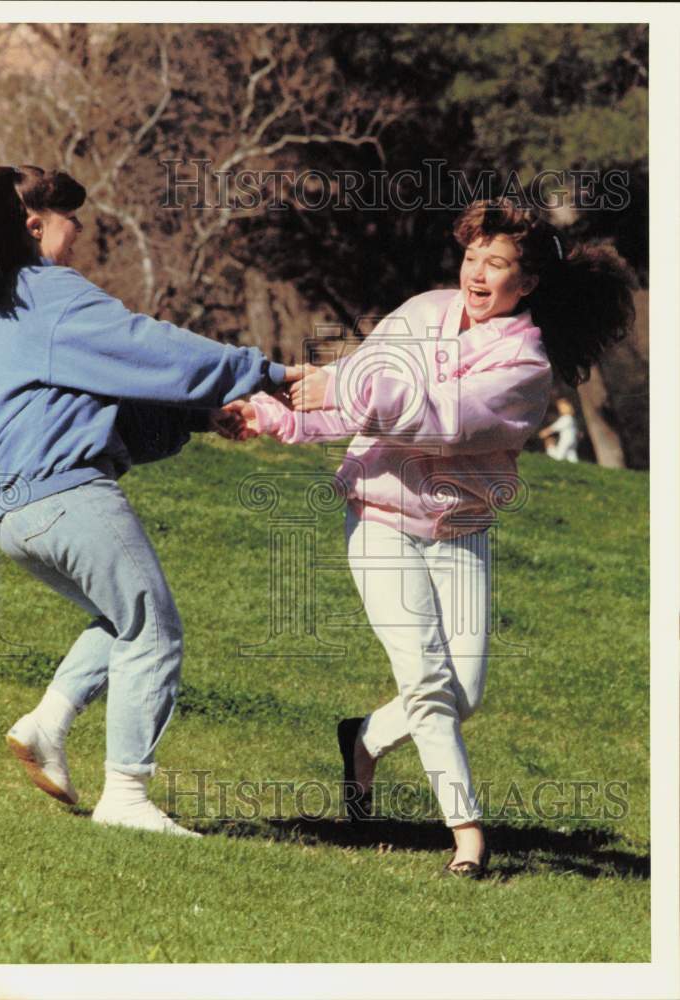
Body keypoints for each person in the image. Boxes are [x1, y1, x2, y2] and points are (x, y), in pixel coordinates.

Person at [226, 198, 635, 876]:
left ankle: (361, 740)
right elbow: (352, 399)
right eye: (471, 256)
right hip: (379, 520)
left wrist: (343, 387)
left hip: (457, 530)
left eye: (496, 263)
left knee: (462, 693)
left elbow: (439, 420)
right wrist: (271, 415)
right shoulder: (418, 313)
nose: (476, 273)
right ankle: (467, 839)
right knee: (426, 681)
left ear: (525, 283)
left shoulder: (525, 370)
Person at [0, 165, 297, 837]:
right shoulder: (46, 291)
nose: (80, 234)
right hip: (64, 494)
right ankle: (126, 798)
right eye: (72, 220)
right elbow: (145, 345)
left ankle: (45, 726)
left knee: (123, 621)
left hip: (17, 516)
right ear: (34, 225)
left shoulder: (2, 305)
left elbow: (96, 395)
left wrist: (198, 413)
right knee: (152, 629)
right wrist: (262, 372)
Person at [539, 397, 580, 462]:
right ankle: (576, 464)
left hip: (565, 440)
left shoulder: (565, 418)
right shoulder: (573, 419)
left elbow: (555, 427)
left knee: (559, 456)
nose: (560, 410)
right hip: (573, 441)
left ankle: (550, 448)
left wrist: (545, 432)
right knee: (571, 455)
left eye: (561, 408)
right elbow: (576, 430)